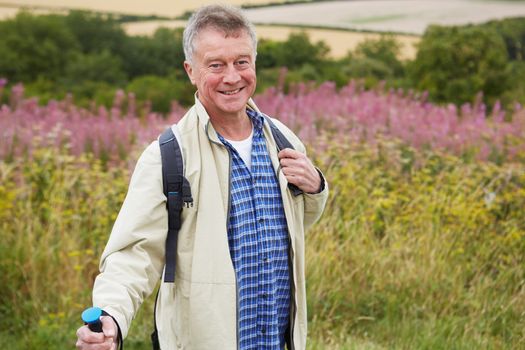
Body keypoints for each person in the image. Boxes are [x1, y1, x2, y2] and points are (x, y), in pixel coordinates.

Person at [76, 4, 328, 350]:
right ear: (190, 71)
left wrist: (316, 187)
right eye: (216, 65)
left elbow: (296, 224)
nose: (232, 76)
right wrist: (111, 315)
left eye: (242, 61)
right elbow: (134, 253)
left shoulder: (282, 139)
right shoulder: (169, 155)